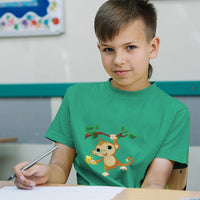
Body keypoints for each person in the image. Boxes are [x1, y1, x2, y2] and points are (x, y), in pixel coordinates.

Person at [13, 0, 190, 190]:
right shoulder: (76, 98)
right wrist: (44, 173)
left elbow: (154, 184)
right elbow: (59, 169)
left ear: (152, 47)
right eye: (108, 49)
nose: (118, 60)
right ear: (99, 49)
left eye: (130, 47)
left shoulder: (175, 112)